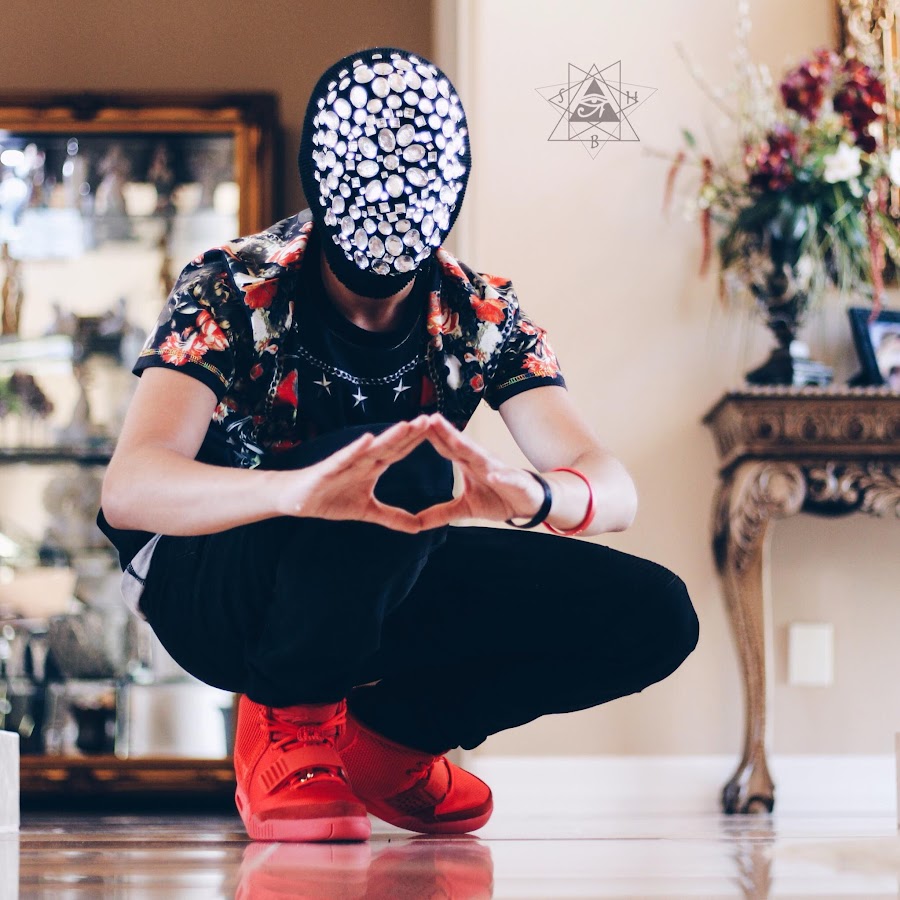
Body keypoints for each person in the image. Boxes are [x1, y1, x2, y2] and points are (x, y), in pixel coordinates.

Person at [98, 46, 699, 843]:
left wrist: (535, 495)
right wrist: (295, 492)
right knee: (403, 462)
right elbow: (131, 489)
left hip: (378, 575)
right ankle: (289, 722)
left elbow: (612, 489)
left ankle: (392, 740)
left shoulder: (479, 313)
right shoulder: (236, 287)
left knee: (656, 614)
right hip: (218, 581)